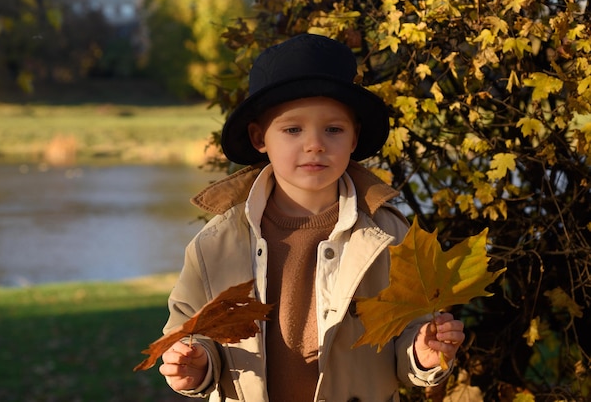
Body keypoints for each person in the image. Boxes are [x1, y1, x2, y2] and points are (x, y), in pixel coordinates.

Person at [158, 33, 465, 402]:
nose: (315, 143)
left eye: (333, 129)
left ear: (354, 139)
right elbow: (191, 329)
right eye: (292, 129)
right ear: (259, 138)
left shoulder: (389, 235)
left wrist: (422, 352)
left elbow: (408, 335)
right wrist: (195, 364)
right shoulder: (216, 244)